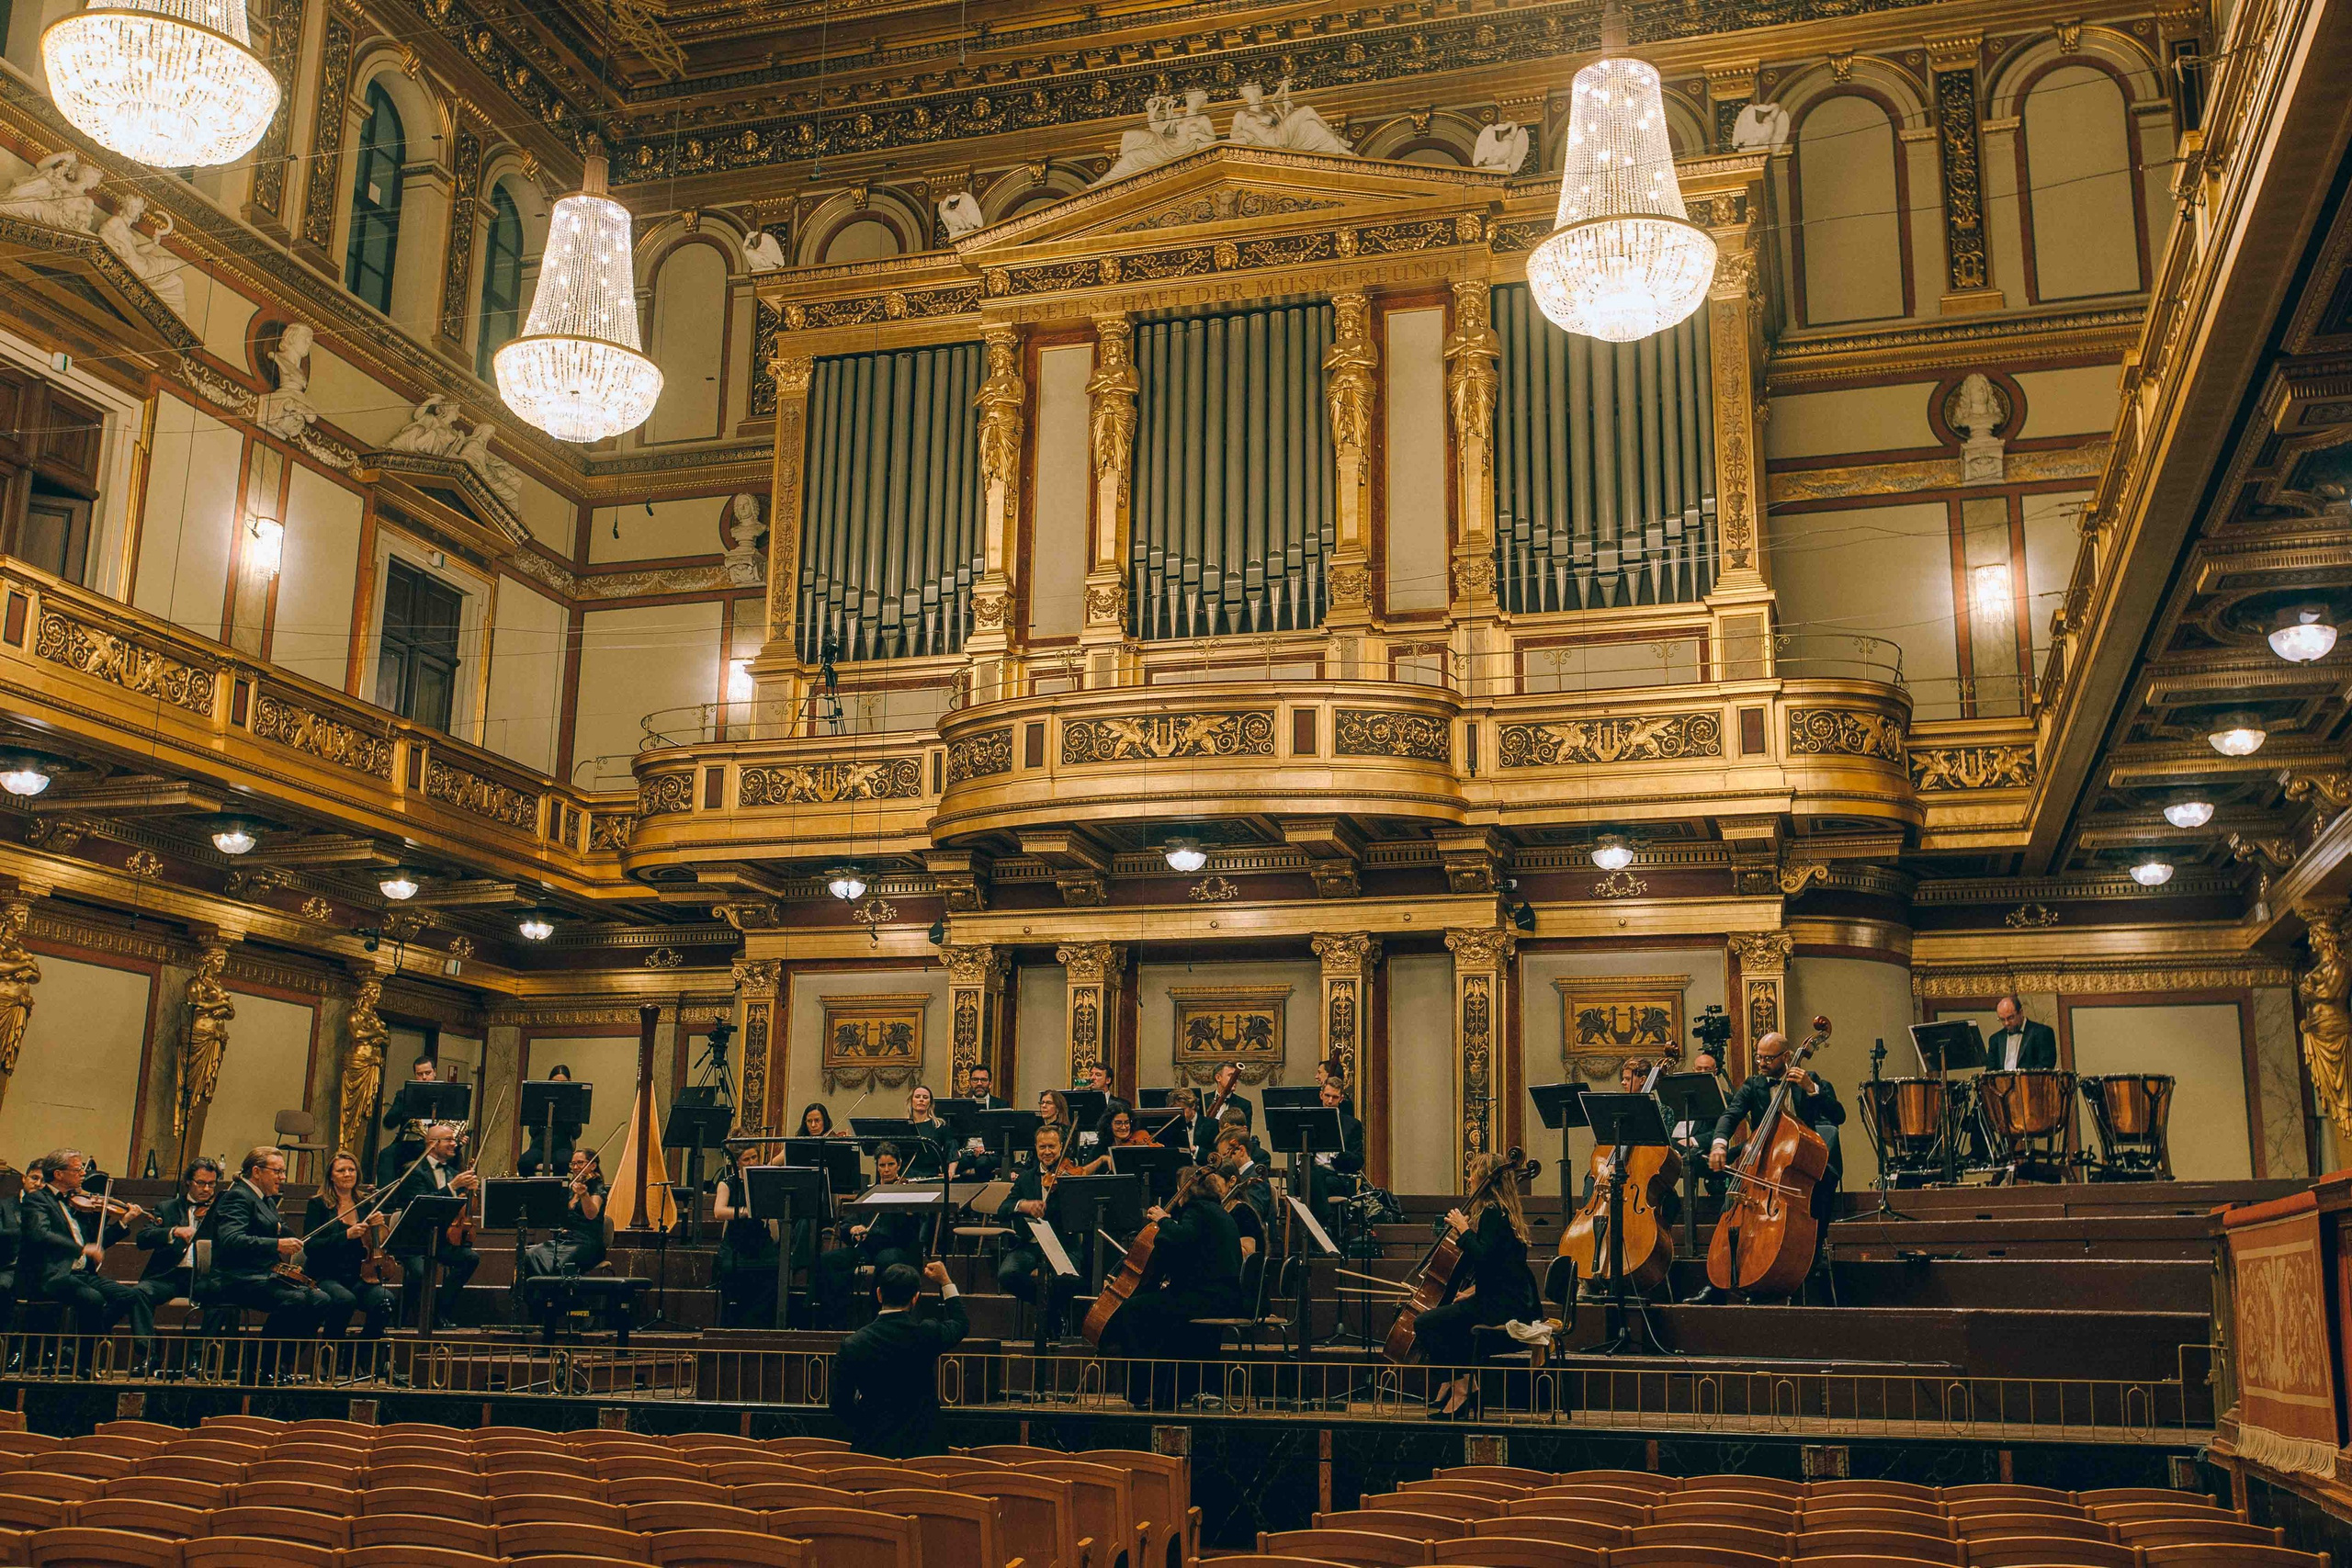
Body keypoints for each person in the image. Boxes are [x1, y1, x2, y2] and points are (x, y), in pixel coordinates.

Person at [1702, 1030, 1845, 1298]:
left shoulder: (1811, 1080)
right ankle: (1716, 1283)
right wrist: (1719, 1143)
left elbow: (1838, 1115)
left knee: (1823, 1188)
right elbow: (1730, 1115)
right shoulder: (1753, 1085)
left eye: (1768, 1058)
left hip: (1802, 1163)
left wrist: (1811, 1090)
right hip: (1763, 1162)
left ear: (1786, 1056)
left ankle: (1808, 1264)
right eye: (1759, 1057)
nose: (1762, 1063)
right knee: (1730, 1204)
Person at [1098, 1164, 1244, 1407]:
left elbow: (1181, 1238)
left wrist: (1163, 1220)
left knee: (1134, 1311)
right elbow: (1194, 1252)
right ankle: (1169, 1392)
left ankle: (1144, 1393)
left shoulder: (1196, 1211)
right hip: (1223, 1296)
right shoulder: (1218, 1212)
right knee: (1158, 1310)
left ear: (1187, 1190)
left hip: (1207, 1299)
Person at [1412, 1152, 1540, 1419]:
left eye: (1473, 1174)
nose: (1469, 1178)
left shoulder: (1493, 1213)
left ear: (1485, 1181)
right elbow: (1501, 1265)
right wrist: (1471, 1289)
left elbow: (1484, 1258)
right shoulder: (1502, 1213)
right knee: (1447, 1321)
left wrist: (1464, 1229)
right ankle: (1465, 1385)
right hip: (1503, 1299)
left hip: (1501, 1308)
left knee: (1425, 1323)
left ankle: (1462, 1388)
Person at [20, 1148, 156, 1371]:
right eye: (78, 1169)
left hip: (81, 1274)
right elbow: (40, 1234)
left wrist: (124, 1222)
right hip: (52, 1274)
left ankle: (83, 1344)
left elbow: (96, 1243)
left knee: (128, 1296)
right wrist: (80, 1248)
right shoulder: (36, 1200)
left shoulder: (78, 1202)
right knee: (92, 1298)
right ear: (58, 1174)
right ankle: (85, 1363)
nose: (84, 1173)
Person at [208, 1148, 329, 1382]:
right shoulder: (237, 1196)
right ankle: (256, 1366)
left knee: (321, 1299)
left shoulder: (265, 1199)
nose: (283, 1177)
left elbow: (280, 1229)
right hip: (233, 1277)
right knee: (295, 1299)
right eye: (278, 1171)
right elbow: (231, 1240)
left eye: (283, 1171)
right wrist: (276, 1245)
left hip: (262, 1275)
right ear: (256, 1171)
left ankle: (279, 1363)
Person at [830, 1260, 967, 1456]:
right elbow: (961, 1323)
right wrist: (945, 1281)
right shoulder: (926, 1333)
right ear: (915, 1298)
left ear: (879, 1294)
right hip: (925, 1448)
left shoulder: (854, 1343)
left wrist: (868, 1423)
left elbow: (839, 1404)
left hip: (873, 1447)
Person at [301, 1151, 395, 1371]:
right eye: (341, 1170)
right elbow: (311, 1246)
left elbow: (376, 1244)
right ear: (331, 1176)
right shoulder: (318, 1205)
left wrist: (378, 1225)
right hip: (326, 1274)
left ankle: (361, 1357)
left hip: (359, 1274)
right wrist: (346, 1235)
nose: (347, 1174)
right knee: (344, 1300)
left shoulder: (365, 1203)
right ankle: (328, 1360)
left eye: (351, 1169)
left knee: (385, 1301)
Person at [385, 1122, 481, 1328]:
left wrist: (471, 1192)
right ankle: (403, 1315)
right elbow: (423, 1204)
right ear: (432, 1144)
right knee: (420, 1273)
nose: (454, 1144)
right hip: (413, 1242)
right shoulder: (412, 1171)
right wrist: (452, 1187)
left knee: (469, 1258)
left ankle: (440, 1310)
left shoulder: (451, 1172)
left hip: (442, 1239)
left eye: (454, 1140)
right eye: (449, 1140)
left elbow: (459, 1209)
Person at [819, 1142, 925, 1325]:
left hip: (894, 1248)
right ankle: (834, 1317)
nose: (886, 1170)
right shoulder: (868, 1191)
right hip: (866, 1248)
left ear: (899, 1165)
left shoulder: (907, 1190)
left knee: (886, 1260)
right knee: (828, 1260)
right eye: (882, 1165)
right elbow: (848, 1224)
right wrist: (854, 1229)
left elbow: (914, 1231)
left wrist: (909, 1209)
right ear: (876, 1166)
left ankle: (875, 1318)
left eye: (891, 1164)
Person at [996, 1124, 1080, 1342]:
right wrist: (1023, 1205)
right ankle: (1051, 1313)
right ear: (1035, 1148)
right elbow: (1003, 1209)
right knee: (1007, 1274)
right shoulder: (1026, 1178)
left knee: (1067, 1279)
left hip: (1062, 1244)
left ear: (1061, 1146)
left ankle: (1047, 1318)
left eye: (1052, 1146)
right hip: (1029, 1244)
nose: (1047, 1151)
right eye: (1042, 1147)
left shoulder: (1071, 1177)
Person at [134, 1156, 221, 1326]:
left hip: (204, 1278)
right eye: (200, 1183)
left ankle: (201, 1350)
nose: (206, 1189)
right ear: (189, 1182)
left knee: (224, 1297)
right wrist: (174, 1231)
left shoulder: (221, 1212)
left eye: (211, 1184)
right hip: (170, 1276)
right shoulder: (167, 1208)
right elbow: (143, 1238)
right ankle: (147, 1350)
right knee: (140, 1292)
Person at [711, 1153, 780, 1327]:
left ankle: (762, 1329)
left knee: (773, 1270)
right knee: (731, 1271)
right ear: (737, 1162)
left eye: (755, 1157)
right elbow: (719, 1211)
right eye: (746, 1159)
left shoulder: (763, 1181)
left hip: (761, 1243)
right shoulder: (727, 1183)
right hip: (736, 1245)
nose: (752, 1162)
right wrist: (746, 1211)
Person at [522, 1148, 606, 1278]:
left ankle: (556, 1296)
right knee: (530, 1255)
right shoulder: (571, 1187)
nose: (576, 1167)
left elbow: (591, 1214)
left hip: (587, 1243)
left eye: (580, 1163)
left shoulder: (596, 1187)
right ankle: (530, 1297)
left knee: (559, 1264)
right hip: (564, 1240)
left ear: (593, 1166)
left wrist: (584, 1196)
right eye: (573, 1164)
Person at [1306, 1077, 1365, 1231]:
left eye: (1335, 1097)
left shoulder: (1352, 1125)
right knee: (1314, 1174)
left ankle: (1320, 1226)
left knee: (1315, 1179)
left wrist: (1340, 1152)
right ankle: (1326, 1221)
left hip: (1338, 1177)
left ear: (1341, 1098)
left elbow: (1358, 1161)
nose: (1330, 1101)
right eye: (1327, 1096)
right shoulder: (1308, 1120)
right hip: (1312, 1175)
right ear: (1321, 1095)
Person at [377, 1056, 439, 1186]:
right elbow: (388, 1123)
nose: (424, 1078)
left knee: (454, 1153)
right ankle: (387, 1201)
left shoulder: (446, 1094)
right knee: (386, 1155)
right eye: (420, 1074)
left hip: (437, 1144)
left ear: (435, 1072)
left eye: (428, 1073)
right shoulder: (403, 1094)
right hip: (409, 1143)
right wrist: (406, 1102)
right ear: (415, 1075)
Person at [518, 1064, 582, 1177]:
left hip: (562, 1146)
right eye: (555, 1082)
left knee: (562, 1162)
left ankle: (558, 1193)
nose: (559, 1086)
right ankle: (533, 1191)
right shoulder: (540, 1100)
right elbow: (532, 1132)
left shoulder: (573, 1103)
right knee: (524, 1162)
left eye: (563, 1083)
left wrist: (569, 1116)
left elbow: (576, 1134)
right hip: (539, 1146)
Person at [1988, 995, 2058, 1072]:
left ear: (2021, 1013)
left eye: (2010, 1018)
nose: (2006, 1023)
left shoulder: (2042, 1033)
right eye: (2002, 1019)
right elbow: (1990, 1070)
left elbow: (2046, 1066)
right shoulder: (1995, 1040)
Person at [900, 1086, 955, 1179]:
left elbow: (952, 1149)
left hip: (931, 1175)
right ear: (911, 1101)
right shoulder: (902, 1126)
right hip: (906, 1175)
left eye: (925, 1097)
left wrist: (950, 1172)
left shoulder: (939, 1125)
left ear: (930, 1103)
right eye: (917, 1097)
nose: (921, 1100)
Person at [1204, 1061, 1253, 1130]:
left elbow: (1244, 1135)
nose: (1235, 1080)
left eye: (1236, 1076)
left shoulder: (1244, 1105)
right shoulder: (1203, 1100)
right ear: (1218, 1078)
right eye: (1231, 1076)